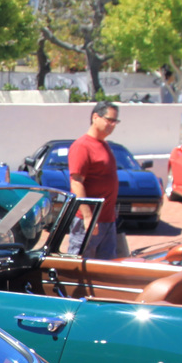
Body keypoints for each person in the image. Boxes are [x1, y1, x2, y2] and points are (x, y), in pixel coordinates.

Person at [67, 102, 121, 260]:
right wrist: (88, 217)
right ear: (95, 117)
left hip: (107, 220)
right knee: (79, 266)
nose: (112, 125)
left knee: (103, 270)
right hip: (89, 222)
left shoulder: (104, 145)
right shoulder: (82, 146)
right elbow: (76, 182)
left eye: (115, 122)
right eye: (109, 120)